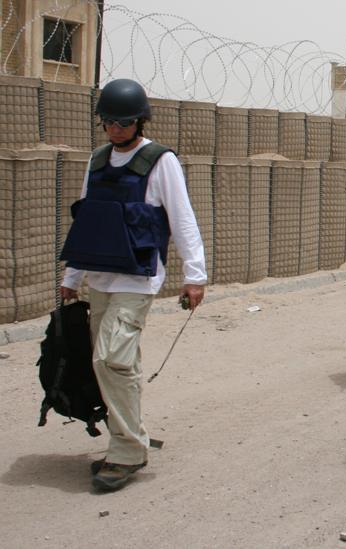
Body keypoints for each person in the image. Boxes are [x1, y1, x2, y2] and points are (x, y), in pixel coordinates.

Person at [58, 78, 207, 491]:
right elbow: (86, 220)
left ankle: (127, 451)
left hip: (137, 280)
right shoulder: (99, 159)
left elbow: (183, 219)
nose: (115, 129)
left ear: (140, 121)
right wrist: (72, 276)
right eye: (108, 122)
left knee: (111, 360)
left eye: (123, 122)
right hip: (99, 276)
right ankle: (125, 440)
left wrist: (195, 275)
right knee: (117, 365)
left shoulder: (160, 161)